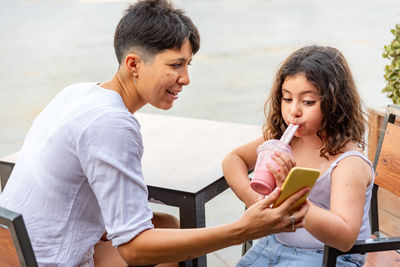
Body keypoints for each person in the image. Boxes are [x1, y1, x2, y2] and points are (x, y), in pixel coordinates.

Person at [0, 0, 311, 266]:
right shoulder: (113, 125)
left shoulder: (77, 93)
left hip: (13, 247)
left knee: (166, 226)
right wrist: (243, 229)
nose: (186, 78)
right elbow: (134, 250)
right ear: (134, 63)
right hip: (48, 260)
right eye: (175, 65)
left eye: (188, 65)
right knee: (157, 240)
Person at [223, 45, 374, 267]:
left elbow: (345, 237)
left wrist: (293, 196)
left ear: (335, 103)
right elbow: (233, 159)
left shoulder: (347, 162)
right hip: (273, 245)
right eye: (286, 99)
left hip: (329, 257)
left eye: (308, 102)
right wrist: (253, 198)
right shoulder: (286, 141)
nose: (294, 111)